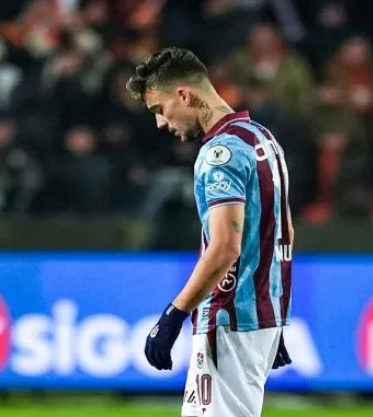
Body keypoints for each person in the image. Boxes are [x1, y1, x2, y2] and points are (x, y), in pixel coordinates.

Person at [126, 47, 294, 417]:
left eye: (160, 109)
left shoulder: (221, 153)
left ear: (184, 95)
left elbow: (224, 248)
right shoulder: (262, 138)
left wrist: (173, 315)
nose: (161, 123)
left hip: (229, 315)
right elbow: (283, 232)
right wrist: (272, 311)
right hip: (257, 315)